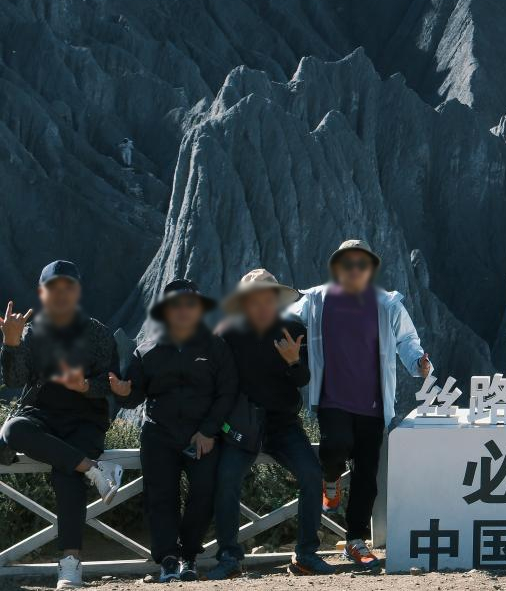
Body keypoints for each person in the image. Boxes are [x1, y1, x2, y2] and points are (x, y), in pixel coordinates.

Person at [286, 239, 430, 570]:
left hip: (374, 403)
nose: (354, 269)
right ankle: (331, 478)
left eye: (361, 264)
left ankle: (355, 540)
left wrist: (418, 362)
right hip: (332, 397)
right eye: (347, 263)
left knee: (367, 475)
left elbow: (407, 340)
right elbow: (283, 323)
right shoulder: (316, 300)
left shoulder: (387, 304)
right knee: (336, 445)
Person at [0, 261, 123, 590]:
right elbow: (14, 380)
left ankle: (70, 563)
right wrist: (11, 343)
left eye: (68, 287)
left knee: (66, 474)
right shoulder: (30, 330)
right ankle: (94, 469)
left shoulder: (97, 332)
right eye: (53, 288)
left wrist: (84, 386)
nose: (61, 294)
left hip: (85, 420)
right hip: (41, 414)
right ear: (42, 293)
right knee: (12, 431)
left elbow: (111, 383)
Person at [210, 269, 335, 579]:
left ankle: (305, 554)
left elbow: (303, 379)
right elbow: (216, 381)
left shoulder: (292, 329)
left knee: (311, 474)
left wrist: (293, 359)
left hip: (282, 423)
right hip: (241, 424)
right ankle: (228, 556)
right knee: (226, 480)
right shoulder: (228, 333)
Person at [111, 279, 236, 583]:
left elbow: (228, 392)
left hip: (202, 436)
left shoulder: (215, 346)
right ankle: (168, 559)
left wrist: (208, 431)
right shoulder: (147, 349)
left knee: (203, 494)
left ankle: (189, 555)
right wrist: (122, 391)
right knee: (160, 498)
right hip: (159, 435)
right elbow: (135, 396)